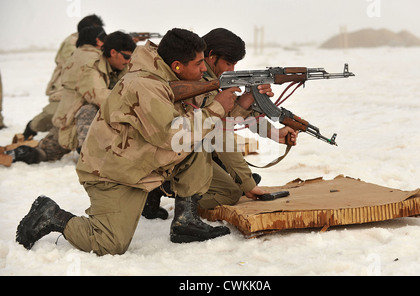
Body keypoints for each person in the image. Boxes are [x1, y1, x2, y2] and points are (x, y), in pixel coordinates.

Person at [16, 28, 241, 255]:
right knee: (109, 244)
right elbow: (172, 134)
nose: (205, 69)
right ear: (177, 66)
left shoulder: (173, 78)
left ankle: (186, 221)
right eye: (199, 63)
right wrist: (216, 107)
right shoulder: (145, 85)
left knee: (198, 137)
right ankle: (51, 215)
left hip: (140, 163)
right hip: (112, 174)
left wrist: (246, 101)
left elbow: (212, 119)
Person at [141, 28, 297, 217]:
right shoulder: (196, 81)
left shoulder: (206, 80)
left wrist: (270, 128)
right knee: (230, 192)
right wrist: (246, 183)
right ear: (211, 56)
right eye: (228, 63)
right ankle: (171, 191)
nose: (231, 70)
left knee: (232, 182)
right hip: (169, 152)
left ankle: (173, 189)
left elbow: (228, 115)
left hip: (185, 148)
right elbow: (220, 129)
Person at [3, 30, 135, 165]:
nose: (128, 61)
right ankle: (91, 159)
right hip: (72, 125)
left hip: (89, 125)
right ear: (113, 53)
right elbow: (102, 98)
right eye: (126, 57)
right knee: (42, 153)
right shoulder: (91, 69)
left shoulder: (120, 68)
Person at [21, 14, 104, 140]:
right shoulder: (73, 43)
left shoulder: (91, 42)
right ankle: (32, 127)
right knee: (54, 113)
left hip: (79, 83)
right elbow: (72, 63)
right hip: (64, 84)